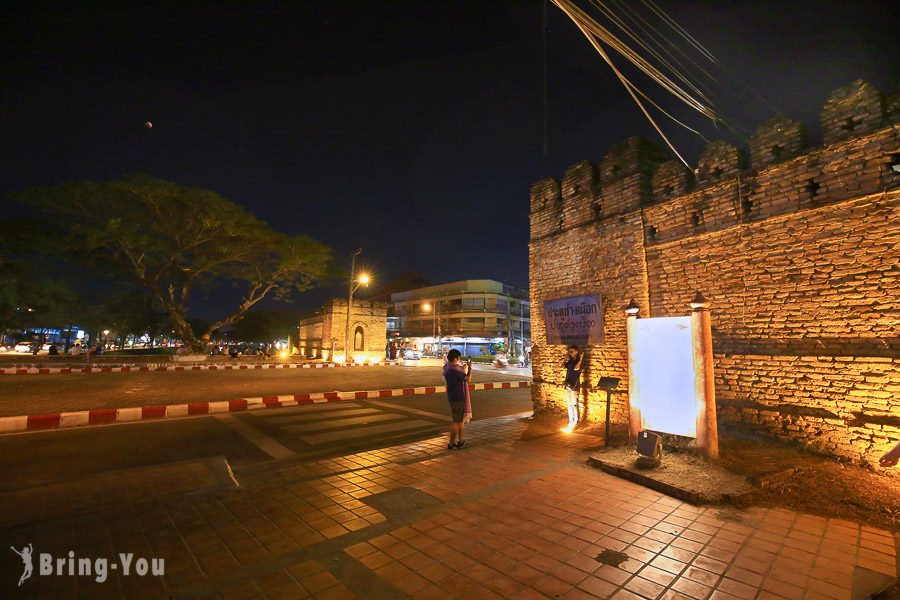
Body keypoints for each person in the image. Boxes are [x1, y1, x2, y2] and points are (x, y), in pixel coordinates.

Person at [443, 349, 472, 450]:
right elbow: (467, 379)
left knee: (460, 421)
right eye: (459, 358)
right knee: (456, 421)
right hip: (458, 396)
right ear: (455, 358)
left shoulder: (447, 367)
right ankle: (451, 443)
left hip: (452, 395)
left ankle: (461, 440)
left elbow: (460, 374)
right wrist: (470, 369)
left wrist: (464, 368)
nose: (459, 360)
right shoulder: (454, 369)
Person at [563, 345, 583, 429]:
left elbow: (576, 369)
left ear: (576, 352)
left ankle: (575, 421)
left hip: (574, 385)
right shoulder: (570, 361)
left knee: (574, 404)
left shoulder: (579, 362)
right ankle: (570, 420)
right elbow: (562, 366)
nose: (570, 353)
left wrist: (581, 359)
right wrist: (565, 358)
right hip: (567, 384)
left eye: (572, 351)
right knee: (569, 404)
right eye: (569, 352)